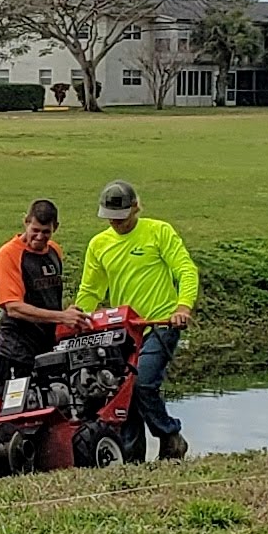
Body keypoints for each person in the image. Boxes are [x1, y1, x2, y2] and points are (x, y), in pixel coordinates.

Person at [74, 177, 200, 460]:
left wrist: (183, 307)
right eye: (111, 219)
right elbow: (92, 289)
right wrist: (78, 318)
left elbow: (185, 270)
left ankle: (169, 435)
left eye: (121, 217)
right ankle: (132, 458)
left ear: (136, 208)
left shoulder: (159, 232)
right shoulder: (99, 244)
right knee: (122, 393)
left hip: (160, 323)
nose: (116, 224)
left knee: (142, 383)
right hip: (122, 329)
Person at [0, 196, 74, 393]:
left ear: (56, 227)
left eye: (46, 232)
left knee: (50, 405)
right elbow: (13, 307)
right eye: (35, 230)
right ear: (26, 222)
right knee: (12, 411)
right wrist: (62, 316)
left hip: (46, 346)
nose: (39, 237)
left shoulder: (55, 251)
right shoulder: (9, 254)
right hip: (16, 349)